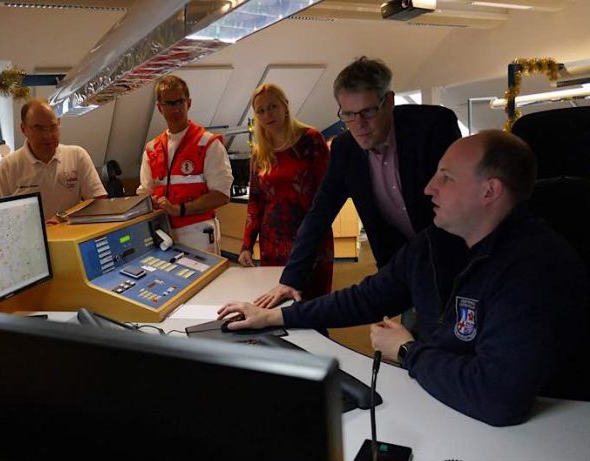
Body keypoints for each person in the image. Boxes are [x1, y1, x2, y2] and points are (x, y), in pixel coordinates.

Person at [218, 130, 589, 426]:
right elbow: (366, 298)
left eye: (446, 177)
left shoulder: (536, 268)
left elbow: (498, 398)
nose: (429, 186)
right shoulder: (435, 243)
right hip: (449, 409)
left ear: (489, 191)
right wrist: (276, 317)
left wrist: (408, 351)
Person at [255, 57, 461, 309]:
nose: (359, 125)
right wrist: (290, 280)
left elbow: (461, 201)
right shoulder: (345, 148)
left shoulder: (432, 126)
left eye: (368, 112)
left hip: (456, 255)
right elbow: (319, 214)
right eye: (349, 115)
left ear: (389, 101)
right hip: (403, 265)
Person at [238, 83, 333, 299]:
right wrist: (246, 245)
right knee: (277, 303)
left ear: (285, 106)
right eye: (261, 110)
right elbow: (255, 201)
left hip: (310, 236)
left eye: (272, 107)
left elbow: (326, 193)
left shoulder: (311, 139)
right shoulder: (259, 152)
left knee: (312, 302)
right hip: (273, 241)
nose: (267, 114)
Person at [137, 75, 233, 254]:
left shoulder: (208, 144)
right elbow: (145, 194)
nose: (175, 109)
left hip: (198, 234)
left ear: (188, 103)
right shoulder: (152, 149)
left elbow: (222, 195)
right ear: (160, 108)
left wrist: (180, 209)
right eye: (169, 103)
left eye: (179, 102)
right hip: (162, 235)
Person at [0, 98, 107, 222]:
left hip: (70, 237)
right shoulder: (7, 167)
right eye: (38, 128)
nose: (47, 136)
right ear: (23, 129)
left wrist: (62, 216)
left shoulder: (77, 156)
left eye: (53, 127)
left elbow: (98, 200)